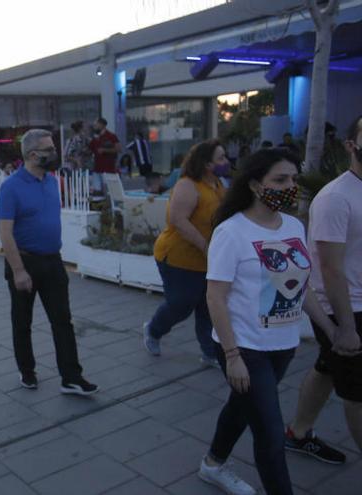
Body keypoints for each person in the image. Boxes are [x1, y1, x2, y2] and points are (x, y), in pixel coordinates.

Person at [198, 148, 338, 495]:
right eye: (280, 179)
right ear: (256, 184)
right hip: (245, 347)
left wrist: (330, 329)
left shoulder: (292, 225)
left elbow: (300, 287)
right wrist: (232, 357)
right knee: (271, 434)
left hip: (282, 345)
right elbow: (215, 297)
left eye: (293, 178)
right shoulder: (231, 232)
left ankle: (212, 464)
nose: (290, 185)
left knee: (242, 407)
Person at [0, 129, 98, 394]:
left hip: (53, 261)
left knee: (62, 320)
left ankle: (71, 377)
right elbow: (5, 233)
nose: (55, 154)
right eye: (49, 150)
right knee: (22, 322)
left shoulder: (52, 181)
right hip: (24, 263)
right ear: (32, 155)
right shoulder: (11, 188)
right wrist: (18, 271)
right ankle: (27, 371)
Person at [285, 115, 362, 464]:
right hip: (345, 307)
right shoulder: (335, 198)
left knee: (327, 368)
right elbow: (330, 269)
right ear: (351, 145)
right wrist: (344, 328)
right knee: (357, 393)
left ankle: (298, 433)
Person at [144, 140, 227, 367]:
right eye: (220, 158)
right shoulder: (187, 185)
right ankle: (153, 330)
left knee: (208, 307)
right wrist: (205, 246)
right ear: (206, 162)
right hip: (178, 256)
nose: (226, 162)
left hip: (208, 259)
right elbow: (178, 220)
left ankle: (210, 353)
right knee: (181, 304)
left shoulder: (218, 184)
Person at [89, 117, 120, 192]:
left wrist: (105, 150)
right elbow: (90, 149)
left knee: (108, 190)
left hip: (108, 168)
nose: (95, 126)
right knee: (97, 190)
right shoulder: (95, 137)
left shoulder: (111, 136)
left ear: (102, 125)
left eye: (96, 124)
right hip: (97, 168)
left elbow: (118, 149)